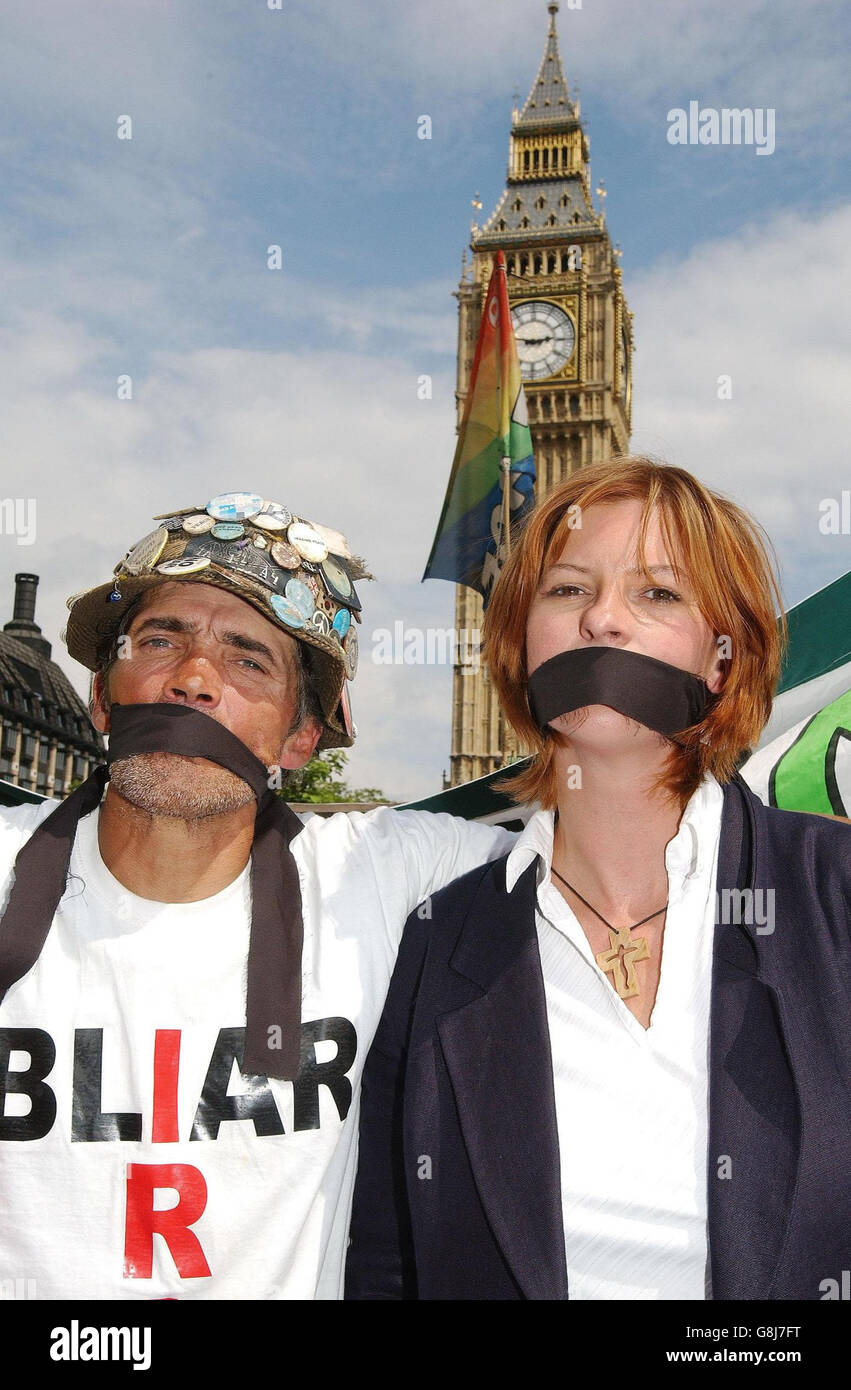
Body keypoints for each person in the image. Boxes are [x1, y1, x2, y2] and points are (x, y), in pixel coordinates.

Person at [345, 456, 851, 1301]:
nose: (603, 621)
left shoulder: (830, 892)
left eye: (657, 594)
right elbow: (387, 1260)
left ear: (721, 661)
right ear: (520, 644)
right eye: (567, 591)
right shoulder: (439, 939)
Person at [0, 491, 517, 1299]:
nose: (194, 680)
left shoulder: (379, 872)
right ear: (103, 696)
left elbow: (615, 858)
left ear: (300, 735)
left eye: (248, 659)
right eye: (160, 638)